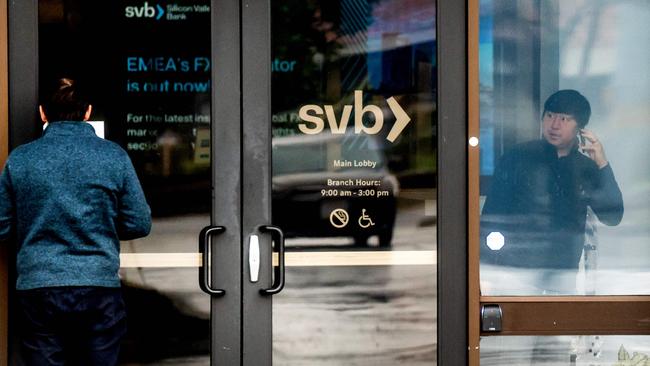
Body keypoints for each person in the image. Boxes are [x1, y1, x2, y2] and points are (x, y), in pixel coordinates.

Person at [0, 78, 151, 365]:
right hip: (98, 285)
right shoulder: (113, 157)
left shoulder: (20, 160)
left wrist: (37, 224)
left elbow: (2, 225)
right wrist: (99, 225)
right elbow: (139, 223)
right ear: (88, 112)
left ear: (43, 113)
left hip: (38, 287)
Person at [480, 89, 624, 295]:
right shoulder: (517, 157)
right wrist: (487, 269)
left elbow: (613, 216)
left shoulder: (585, 167)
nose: (554, 125)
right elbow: (492, 216)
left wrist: (602, 163)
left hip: (563, 274)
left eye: (564, 119)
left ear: (580, 128)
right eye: (549, 116)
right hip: (516, 271)